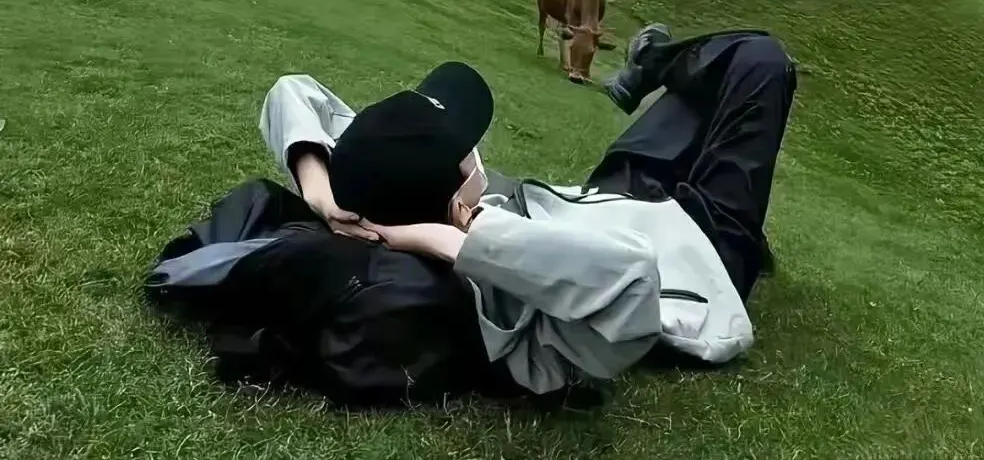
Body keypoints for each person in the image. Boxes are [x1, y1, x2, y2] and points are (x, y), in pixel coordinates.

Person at [259, 24, 797, 396]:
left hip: (606, 197)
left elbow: (294, 91)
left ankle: (649, 67)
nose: (476, 149)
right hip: (700, 249)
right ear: (458, 198)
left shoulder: (381, 182)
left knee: (717, 78)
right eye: (467, 147)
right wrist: (457, 241)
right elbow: (633, 277)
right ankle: (654, 66)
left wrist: (323, 195)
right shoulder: (507, 312)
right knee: (761, 59)